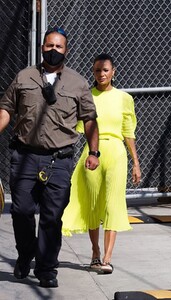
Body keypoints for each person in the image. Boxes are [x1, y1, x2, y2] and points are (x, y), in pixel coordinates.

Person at [0, 27, 100, 288]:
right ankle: (25, 254)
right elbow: (6, 109)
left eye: (59, 47)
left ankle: (46, 268)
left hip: (60, 159)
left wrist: (94, 152)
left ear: (66, 50)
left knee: (51, 217)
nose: (53, 50)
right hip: (25, 156)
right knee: (21, 211)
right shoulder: (24, 77)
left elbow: (89, 120)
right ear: (42, 47)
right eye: (49, 46)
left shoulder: (77, 83)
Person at [62, 53, 141, 274]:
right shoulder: (86, 96)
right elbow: (77, 128)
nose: (101, 74)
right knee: (94, 203)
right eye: (97, 70)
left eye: (105, 70)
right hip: (92, 153)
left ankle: (107, 258)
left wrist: (136, 162)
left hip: (116, 153)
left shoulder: (124, 98)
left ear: (113, 72)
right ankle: (95, 253)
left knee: (113, 204)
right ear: (93, 72)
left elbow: (128, 132)